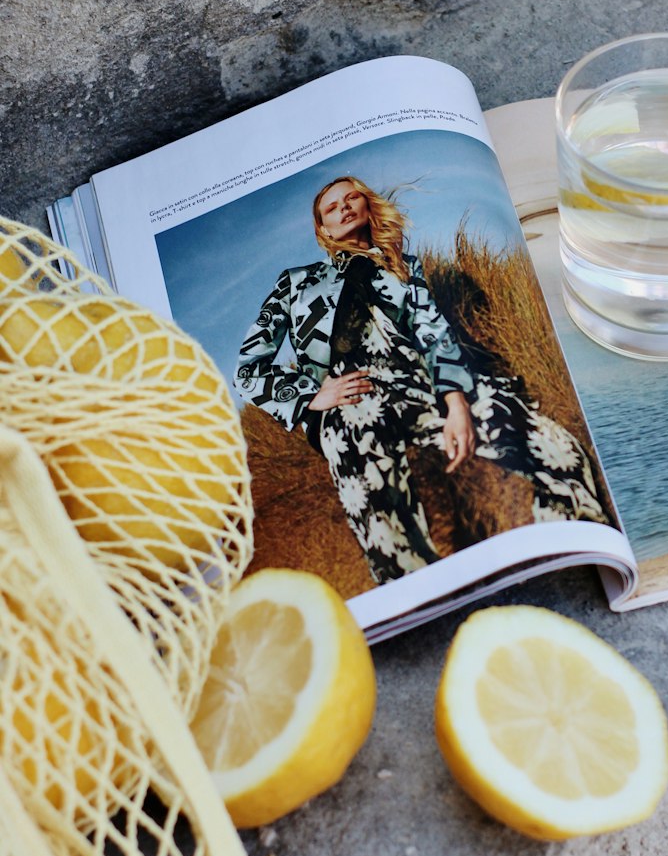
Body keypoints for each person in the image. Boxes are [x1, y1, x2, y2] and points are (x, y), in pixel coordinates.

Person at [234, 175, 608, 582]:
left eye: (351, 197)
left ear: (367, 205)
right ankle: (420, 588)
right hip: (352, 398)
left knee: (558, 450)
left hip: (423, 388)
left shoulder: (403, 269)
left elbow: (434, 333)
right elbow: (249, 369)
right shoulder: (296, 284)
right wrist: (310, 396)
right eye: (331, 207)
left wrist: (456, 402)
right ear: (323, 229)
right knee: (379, 508)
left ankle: (566, 553)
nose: (343, 207)